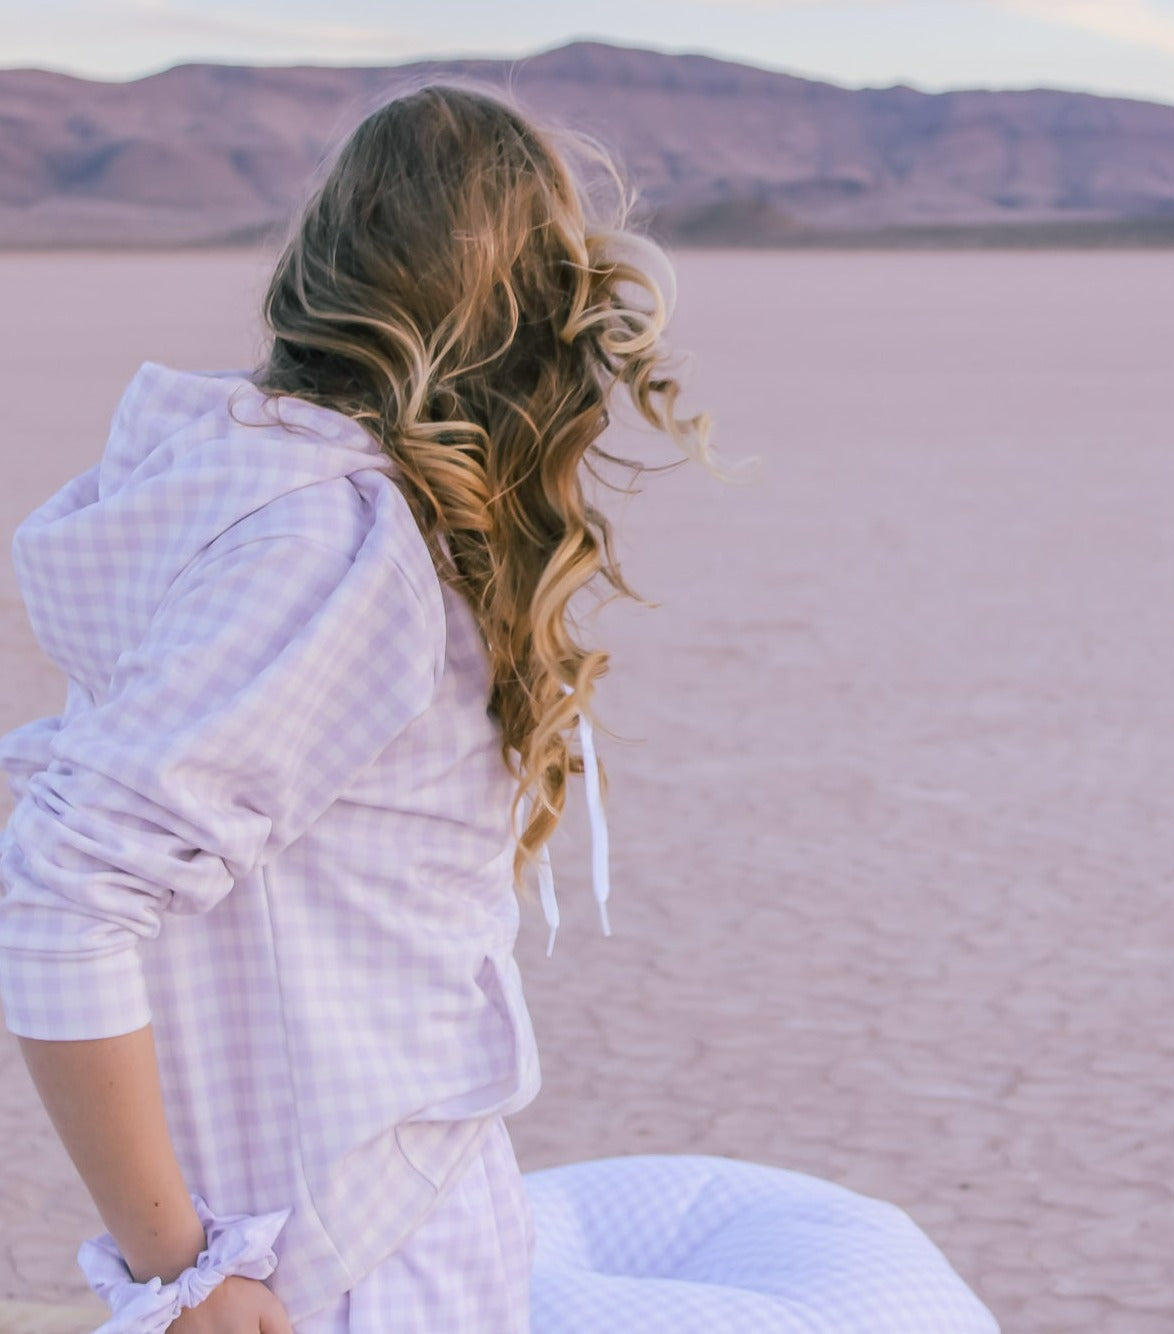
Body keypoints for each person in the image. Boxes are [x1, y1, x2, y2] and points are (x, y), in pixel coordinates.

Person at [0, 80, 749, 1333]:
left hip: (314, 1218)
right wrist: (183, 1267)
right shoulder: (331, 547)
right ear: (531, 310)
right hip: (349, 1247)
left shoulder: (228, 480)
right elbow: (61, 899)